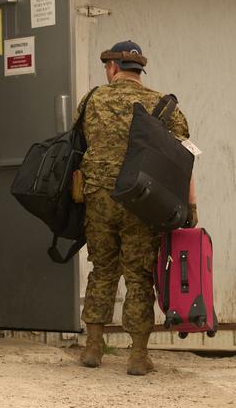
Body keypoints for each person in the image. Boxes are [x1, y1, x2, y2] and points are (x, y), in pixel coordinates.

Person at [76, 40, 197, 376]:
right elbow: (184, 160)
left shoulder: (91, 100)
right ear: (139, 70)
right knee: (139, 277)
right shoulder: (164, 105)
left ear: (112, 68)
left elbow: (77, 144)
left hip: (99, 199)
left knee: (102, 269)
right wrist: (190, 206)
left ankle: (93, 346)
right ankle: (138, 356)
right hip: (142, 201)